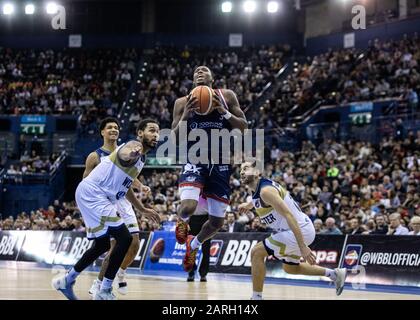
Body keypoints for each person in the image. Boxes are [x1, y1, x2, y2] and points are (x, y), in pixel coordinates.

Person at [52, 132, 160, 300]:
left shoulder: (142, 160)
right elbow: (125, 153)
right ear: (140, 133)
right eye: (151, 130)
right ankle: (104, 290)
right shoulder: (133, 146)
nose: (156, 134)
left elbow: (127, 186)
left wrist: (142, 209)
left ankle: (67, 280)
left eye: (158, 131)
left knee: (102, 245)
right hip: (95, 194)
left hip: (95, 195)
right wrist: (131, 153)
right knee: (125, 238)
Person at [171, 65, 247, 272]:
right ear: (193, 79)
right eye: (196, 71)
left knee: (216, 222)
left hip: (221, 163)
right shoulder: (181, 102)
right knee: (188, 207)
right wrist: (186, 114)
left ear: (213, 78)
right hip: (195, 160)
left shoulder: (227, 96)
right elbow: (175, 139)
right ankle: (181, 220)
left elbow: (244, 127)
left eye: (204, 70)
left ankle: (193, 246)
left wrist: (223, 112)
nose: (200, 72)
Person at [237, 161, 347, 300]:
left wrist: (302, 247)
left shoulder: (266, 191)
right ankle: (335, 274)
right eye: (241, 169)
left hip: (299, 230)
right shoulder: (259, 190)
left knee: (257, 252)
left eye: (246, 168)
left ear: (257, 173)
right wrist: (248, 204)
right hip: (297, 229)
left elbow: (288, 215)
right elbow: (261, 201)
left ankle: (256, 298)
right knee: (290, 268)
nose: (241, 171)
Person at [85, 118, 158, 297]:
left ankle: (121, 272)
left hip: (123, 199)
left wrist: (140, 187)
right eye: (109, 127)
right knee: (117, 245)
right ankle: (100, 283)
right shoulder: (95, 156)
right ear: (102, 131)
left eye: (116, 127)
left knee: (134, 244)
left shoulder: (128, 150)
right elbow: (86, 182)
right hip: (106, 201)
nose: (113, 130)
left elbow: (126, 177)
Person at [187, 196, 210, 282]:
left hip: (206, 218)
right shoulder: (191, 187)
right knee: (191, 247)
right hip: (192, 219)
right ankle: (191, 272)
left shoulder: (209, 189)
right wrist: (185, 221)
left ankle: (203, 274)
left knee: (206, 249)